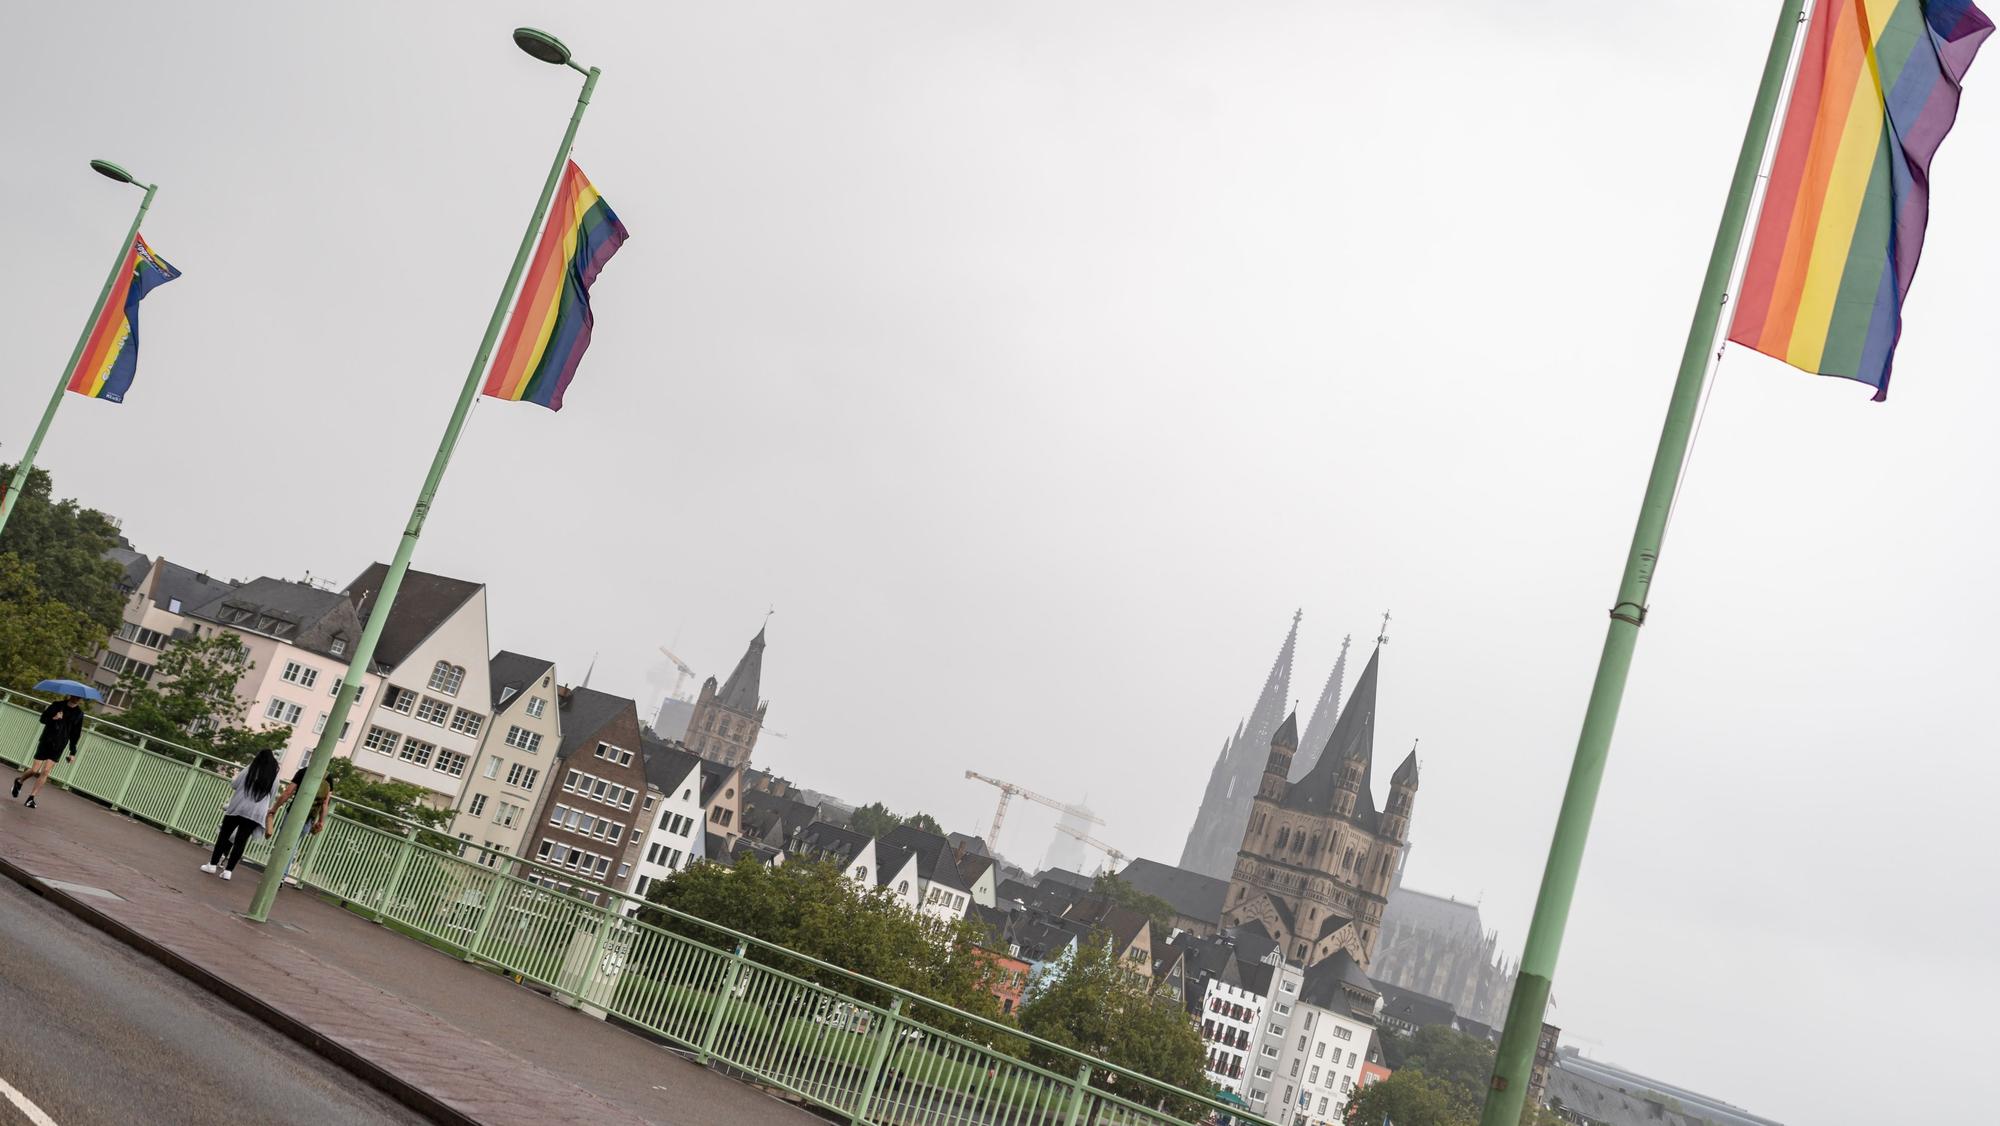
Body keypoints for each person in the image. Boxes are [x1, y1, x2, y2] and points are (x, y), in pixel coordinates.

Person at [201, 749, 279, 881]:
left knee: (224, 836)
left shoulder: (250, 769)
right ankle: (228, 872)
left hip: (238, 807)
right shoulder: (274, 776)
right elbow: (272, 795)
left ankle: (212, 865)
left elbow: (234, 784)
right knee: (241, 841)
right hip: (256, 812)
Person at [12, 695, 85, 809]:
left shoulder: (79, 714)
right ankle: (19, 781)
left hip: (60, 745)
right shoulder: (57, 705)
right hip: (46, 740)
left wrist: (72, 752)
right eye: (75, 696)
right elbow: (42, 719)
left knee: (45, 771)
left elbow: (75, 734)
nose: (77, 698)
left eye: (79, 697)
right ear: (71, 695)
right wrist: (54, 718)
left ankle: (31, 798)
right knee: (34, 770)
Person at [266, 763, 333, 885]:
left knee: (282, 842)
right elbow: (325, 803)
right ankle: (282, 877)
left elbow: (287, 792)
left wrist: (275, 808)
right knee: (293, 846)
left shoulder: (303, 772)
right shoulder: (329, 778)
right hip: (309, 818)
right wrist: (321, 821)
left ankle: (274, 873)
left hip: (293, 813)